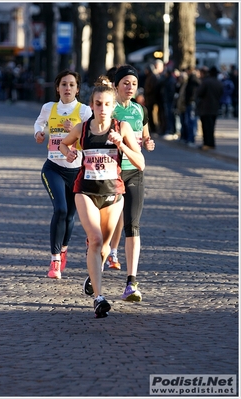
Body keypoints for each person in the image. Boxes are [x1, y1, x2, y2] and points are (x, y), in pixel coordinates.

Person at [59, 81, 145, 318]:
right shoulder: (82, 128)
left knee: (105, 248)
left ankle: (92, 274)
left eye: (107, 104)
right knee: (95, 240)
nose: (103, 108)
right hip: (85, 191)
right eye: (98, 104)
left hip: (113, 194)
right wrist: (69, 154)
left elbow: (141, 163)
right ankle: (99, 298)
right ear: (92, 105)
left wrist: (122, 146)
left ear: (113, 106)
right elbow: (64, 144)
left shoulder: (122, 127)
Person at [84, 65, 155, 303]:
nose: (130, 87)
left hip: (132, 173)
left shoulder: (140, 110)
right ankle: (96, 271)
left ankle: (131, 282)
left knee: (132, 226)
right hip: (109, 176)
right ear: (115, 87)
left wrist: (147, 142)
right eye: (125, 83)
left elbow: (144, 136)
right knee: (103, 236)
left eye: (134, 84)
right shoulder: (107, 109)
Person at [34, 69, 92, 279]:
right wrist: (38, 133)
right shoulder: (49, 107)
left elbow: (91, 138)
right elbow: (39, 123)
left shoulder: (84, 111)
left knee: (69, 215)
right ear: (57, 88)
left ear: (77, 89)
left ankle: (64, 249)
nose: (67, 88)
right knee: (59, 209)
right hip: (53, 168)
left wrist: (75, 130)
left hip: (76, 171)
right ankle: (55, 260)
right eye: (64, 84)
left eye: (72, 85)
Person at [196, 66, 223, 150]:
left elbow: (199, 93)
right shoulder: (219, 83)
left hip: (205, 107)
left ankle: (207, 143)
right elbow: (221, 93)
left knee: (206, 126)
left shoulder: (206, 82)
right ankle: (211, 143)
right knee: (212, 126)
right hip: (215, 108)